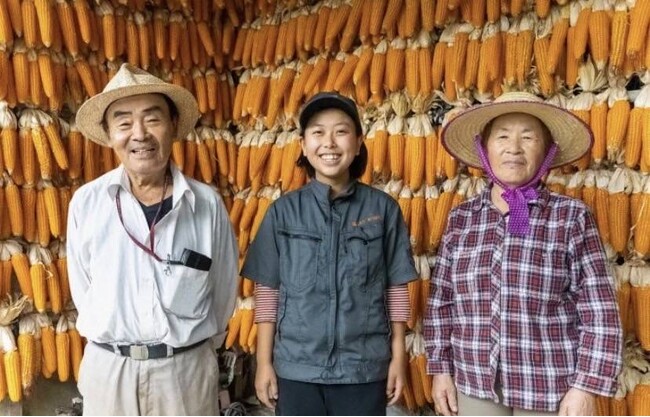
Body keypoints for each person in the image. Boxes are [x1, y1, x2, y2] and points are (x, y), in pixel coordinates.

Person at [424, 92, 623, 416]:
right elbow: (442, 302)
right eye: (502, 137)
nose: (513, 148)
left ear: (547, 151)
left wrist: (586, 386)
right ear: (484, 149)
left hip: (549, 385)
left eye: (527, 138)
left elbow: (599, 308)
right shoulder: (461, 219)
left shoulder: (571, 217)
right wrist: (440, 369)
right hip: (474, 381)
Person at [67, 63, 238, 415]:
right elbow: (83, 290)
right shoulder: (87, 202)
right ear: (109, 132)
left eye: (152, 118)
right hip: (110, 370)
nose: (139, 133)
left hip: (184, 373)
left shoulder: (205, 204)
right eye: (124, 122)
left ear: (173, 125)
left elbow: (223, 293)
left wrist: (193, 352)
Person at [241, 92, 418, 415]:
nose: (329, 143)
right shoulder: (283, 213)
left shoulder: (383, 210)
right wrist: (264, 363)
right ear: (303, 144)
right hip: (297, 369)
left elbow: (396, 289)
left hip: (363, 368)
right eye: (318, 132)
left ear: (359, 141)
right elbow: (267, 292)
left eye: (341, 131)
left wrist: (398, 358)